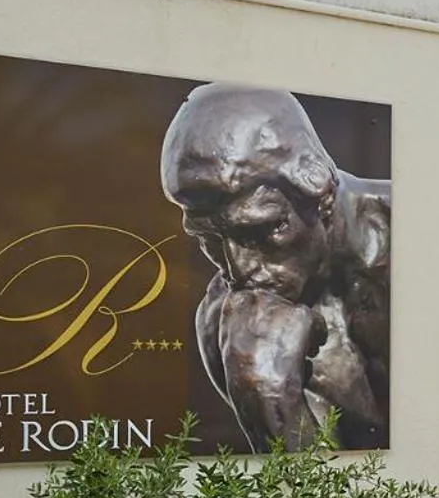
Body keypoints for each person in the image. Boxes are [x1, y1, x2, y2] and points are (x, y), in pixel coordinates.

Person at [160, 84, 390, 450]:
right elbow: (321, 492)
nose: (238, 270)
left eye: (259, 231)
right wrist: (268, 396)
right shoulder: (230, 325)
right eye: (209, 241)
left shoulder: (415, 234)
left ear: (315, 180)